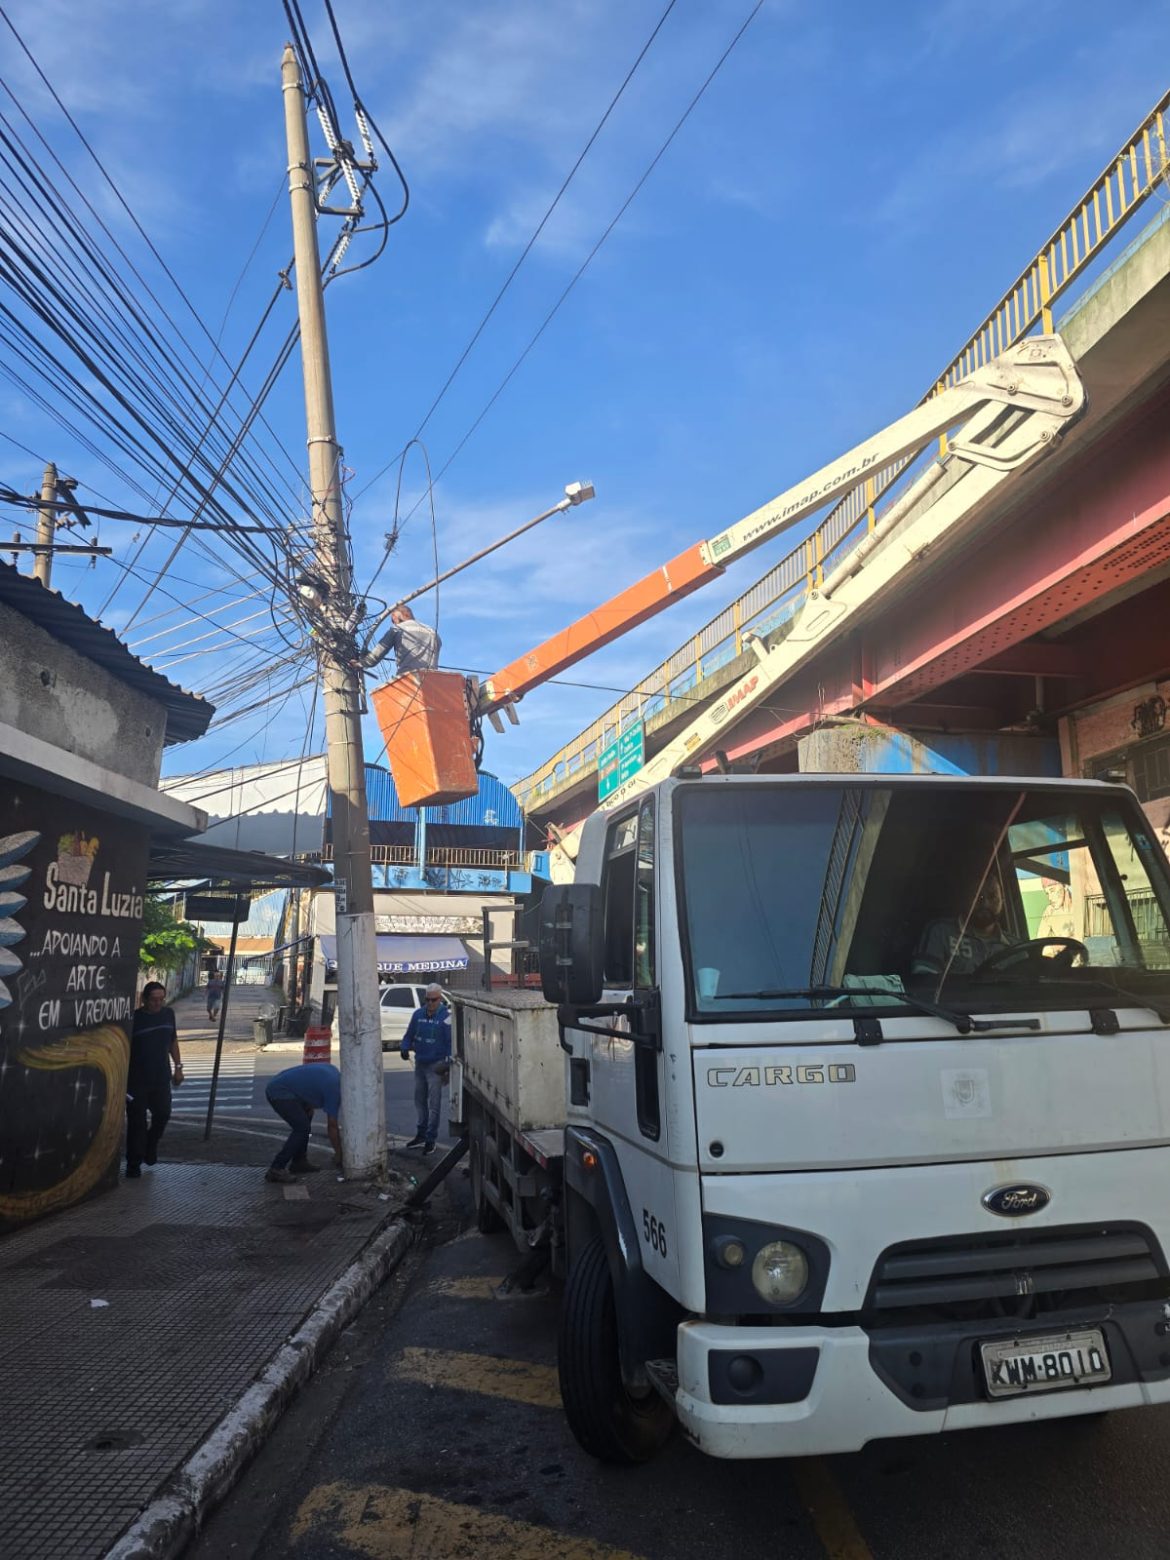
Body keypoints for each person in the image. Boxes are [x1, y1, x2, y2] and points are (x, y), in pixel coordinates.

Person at [126, 981, 183, 1179]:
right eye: (153, 1000)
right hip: (136, 1080)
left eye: (161, 999)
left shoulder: (168, 1014)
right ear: (144, 999)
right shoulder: (135, 1019)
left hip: (161, 1077)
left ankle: (151, 1143)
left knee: (163, 1114)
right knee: (137, 1123)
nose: (158, 1003)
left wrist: (178, 1067)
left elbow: (173, 1041)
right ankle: (133, 1164)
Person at [912, 875, 1015, 978]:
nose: (985, 903)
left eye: (992, 896)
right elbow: (925, 982)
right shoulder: (940, 932)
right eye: (977, 896)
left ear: (1002, 901)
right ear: (966, 899)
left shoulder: (1015, 946)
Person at [263, 1061, 342, 1184]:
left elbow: (309, 1082)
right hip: (279, 1092)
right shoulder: (334, 1091)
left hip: (284, 1085)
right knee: (302, 1128)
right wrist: (339, 1154)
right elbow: (332, 1126)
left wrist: (307, 1103)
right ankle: (276, 1168)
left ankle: (299, 1162)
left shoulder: (335, 1073)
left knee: (307, 1117)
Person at [400, 984, 451, 1154]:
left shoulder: (446, 1018)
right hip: (420, 1063)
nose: (430, 1003)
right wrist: (404, 1047)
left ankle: (430, 1138)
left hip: (436, 1065)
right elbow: (409, 1035)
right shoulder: (418, 1014)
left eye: (433, 1000)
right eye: (427, 1000)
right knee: (420, 1101)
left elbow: (450, 1044)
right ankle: (421, 1134)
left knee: (434, 1104)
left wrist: (447, 1067)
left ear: (440, 999)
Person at [359, 604, 441, 677]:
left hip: (408, 679)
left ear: (397, 615)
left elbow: (376, 655)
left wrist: (360, 663)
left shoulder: (397, 629)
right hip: (433, 680)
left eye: (393, 619)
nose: (393, 622)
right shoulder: (432, 632)